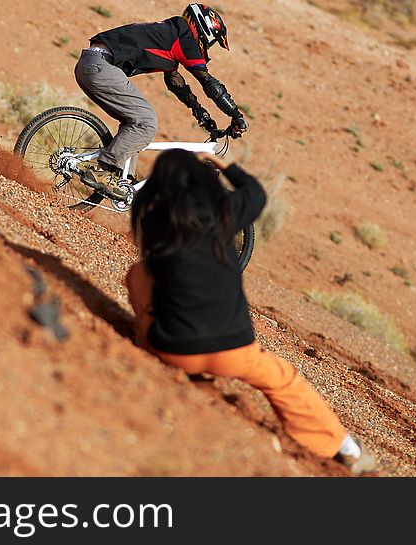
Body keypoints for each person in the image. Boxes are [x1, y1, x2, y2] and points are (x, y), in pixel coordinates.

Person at [125, 149, 378, 474]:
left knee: (139, 274)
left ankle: (144, 341)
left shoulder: (154, 219)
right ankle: (343, 447)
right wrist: (220, 163)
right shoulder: (223, 214)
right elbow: (257, 194)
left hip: (173, 347)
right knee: (285, 383)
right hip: (235, 349)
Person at [74, 3, 249, 200]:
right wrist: (236, 115)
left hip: (91, 65)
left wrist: (199, 111)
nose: (208, 47)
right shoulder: (186, 39)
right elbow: (207, 82)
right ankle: (102, 170)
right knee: (146, 121)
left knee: (134, 121)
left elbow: (175, 82)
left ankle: (122, 180)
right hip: (101, 67)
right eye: (211, 41)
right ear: (204, 29)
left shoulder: (172, 33)